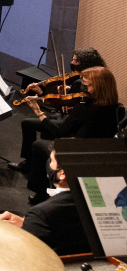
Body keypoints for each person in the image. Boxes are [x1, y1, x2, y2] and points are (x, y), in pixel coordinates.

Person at [21, 66, 121, 204]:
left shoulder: (85, 107)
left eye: (87, 85)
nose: (84, 89)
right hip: (97, 155)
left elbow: (59, 132)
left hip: (76, 152)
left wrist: (39, 112)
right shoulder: (117, 108)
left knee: (38, 145)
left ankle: (40, 193)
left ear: (99, 86)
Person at [10, 47, 106, 174]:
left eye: (75, 61)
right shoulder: (99, 81)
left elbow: (66, 109)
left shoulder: (80, 83)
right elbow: (67, 103)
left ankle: (30, 164)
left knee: (28, 123)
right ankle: (39, 164)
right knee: (44, 124)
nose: (72, 63)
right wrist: (45, 93)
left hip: (71, 124)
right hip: (76, 121)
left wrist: (39, 111)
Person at [0, 150, 90, 255]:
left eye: (51, 161)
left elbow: (24, 254)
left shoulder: (41, 213)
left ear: (62, 173)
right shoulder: (103, 200)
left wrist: (33, 222)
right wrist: (27, 222)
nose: (48, 164)